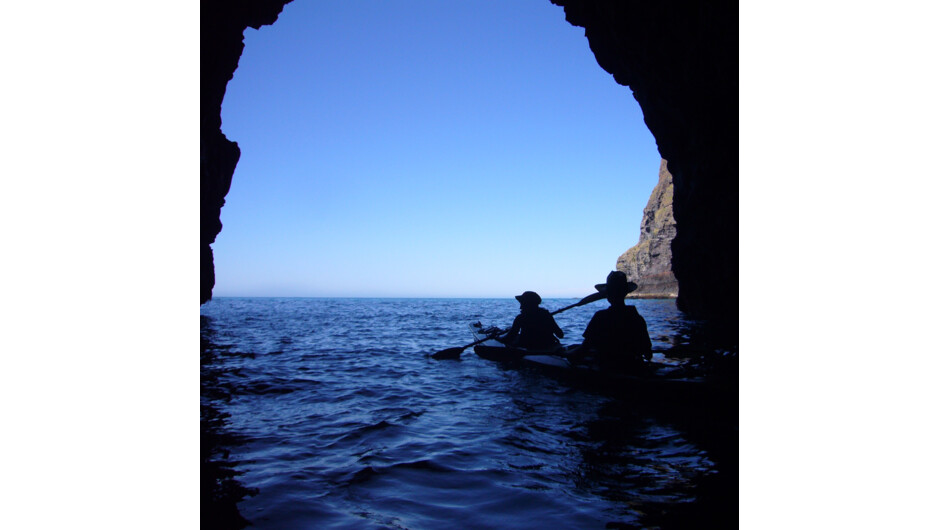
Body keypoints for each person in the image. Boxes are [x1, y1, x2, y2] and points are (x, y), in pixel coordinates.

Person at [576, 271, 652, 373]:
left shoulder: (600, 317)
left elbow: (585, 347)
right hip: (633, 366)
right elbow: (648, 353)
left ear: (608, 295)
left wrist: (571, 355)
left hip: (607, 367)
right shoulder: (637, 318)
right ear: (625, 293)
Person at [499, 291, 564, 351]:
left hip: (529, 347)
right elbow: (560, 335)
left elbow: (511, 336)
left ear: (527, 304)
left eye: (523, 303)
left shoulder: (520, 318)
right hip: (549, 346)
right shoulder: (546, 315)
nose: (521, 307)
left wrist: (498, 340)